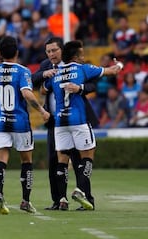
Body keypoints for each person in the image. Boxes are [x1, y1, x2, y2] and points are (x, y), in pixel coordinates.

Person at [42, 40, 123, 211]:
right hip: (78, 121)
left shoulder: (55, 73)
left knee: (62, 161)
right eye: (82, 54)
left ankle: (63, 199)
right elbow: (112, 71)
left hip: (60, 123)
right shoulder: (82, 68)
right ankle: (80, 190)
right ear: (76, 56)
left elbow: (43, 89)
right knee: (87, 157)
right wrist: (120, 64)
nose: (84, 57)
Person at [0, 36, 50, 215]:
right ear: (17, 52)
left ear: (0, 54)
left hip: (1, 122)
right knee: (26, 160)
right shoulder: (22, 71)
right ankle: (25, 200)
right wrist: (41, 110)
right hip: (20, 123)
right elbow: (27, 94)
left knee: (1, 160)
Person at [32, 37, 99, 211]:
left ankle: (86, 197)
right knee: (54, 160)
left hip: (75, 118)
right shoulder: (47, 66)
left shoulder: (75, 64)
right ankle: (59, 200)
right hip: (55, 120)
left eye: (54, 50)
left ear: (62, 50)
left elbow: (92, 85)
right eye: (48, 51)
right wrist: (43, 74)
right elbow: (32, 80)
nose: (51, 54)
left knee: (79, 159)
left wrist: (80, 88)